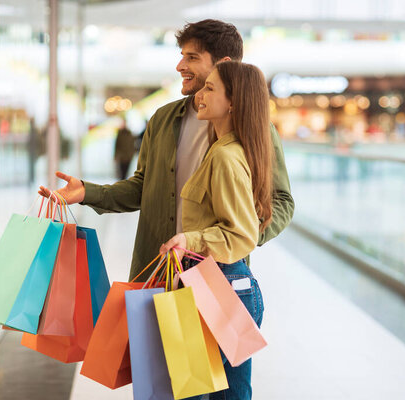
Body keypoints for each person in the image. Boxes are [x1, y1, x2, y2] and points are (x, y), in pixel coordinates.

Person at [38, 19, 294, 282]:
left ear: (224, 64)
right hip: (157, 270)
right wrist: (86, 192)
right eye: (182, 56)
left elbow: (281, 200)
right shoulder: (162, 119)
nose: (180, 66)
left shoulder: (254, 130)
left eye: (191, 58)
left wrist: (243, 237)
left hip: (215, 278)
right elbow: (141, 187)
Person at [159, 59, 271, 400]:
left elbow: (241, 235)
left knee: (193, 391)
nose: (201, 95)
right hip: (224, 285)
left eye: (210, 88)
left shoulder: (225, 156)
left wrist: (188, 238)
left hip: (220, 287)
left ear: (233, 101)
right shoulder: (225, 149)